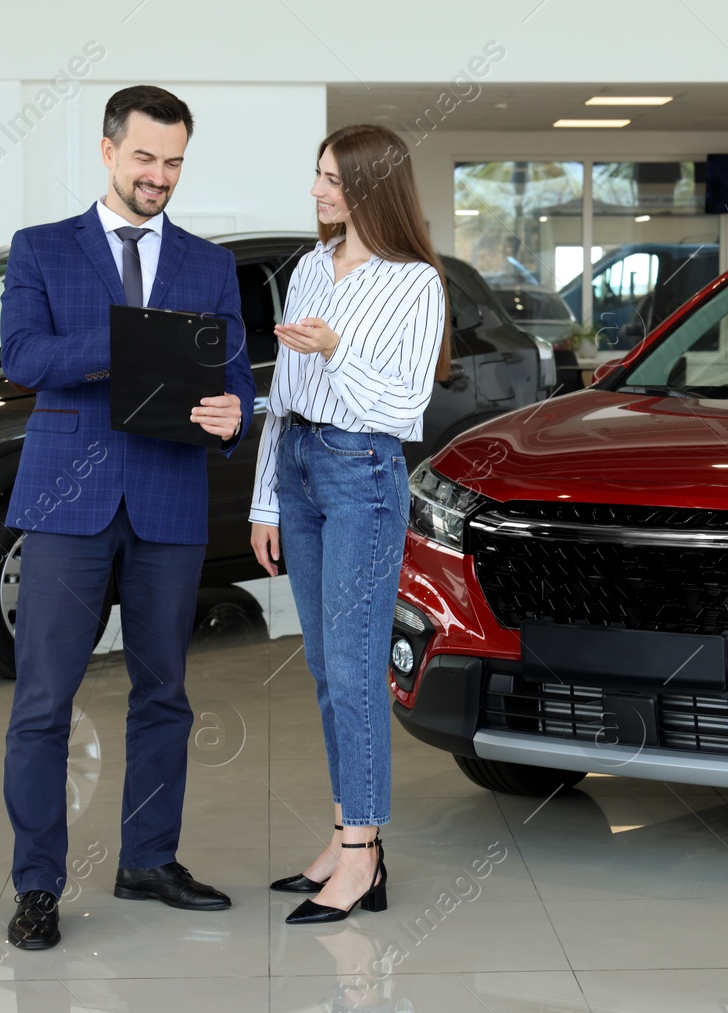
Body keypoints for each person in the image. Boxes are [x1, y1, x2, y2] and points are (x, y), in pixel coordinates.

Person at [0, 85, 255, 950]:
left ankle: (148, 858)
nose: (160, 176)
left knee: (165, 693)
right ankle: (37, 883)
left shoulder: (209, 264)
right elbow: (25, 357)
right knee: (44, 700)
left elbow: (236, 379)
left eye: (175, 161)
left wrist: (234, 415)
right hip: (68, 499)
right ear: (108, 152)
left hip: (170, 497)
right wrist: (131, 337)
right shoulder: (42, 249)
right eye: (145, 158)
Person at [249, 124, 450, 924]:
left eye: (331, 178)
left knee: (359, 669)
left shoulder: (416, 284)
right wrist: (266, 497)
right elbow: (285, 392)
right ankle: (344, 833)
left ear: (370, 186)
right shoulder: (308, 268)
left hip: (362, 470)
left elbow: (404, 410)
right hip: (299, 463)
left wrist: (336, 350)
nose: (317, 190)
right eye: (318, 175)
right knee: (328, 668)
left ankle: (364, 855)